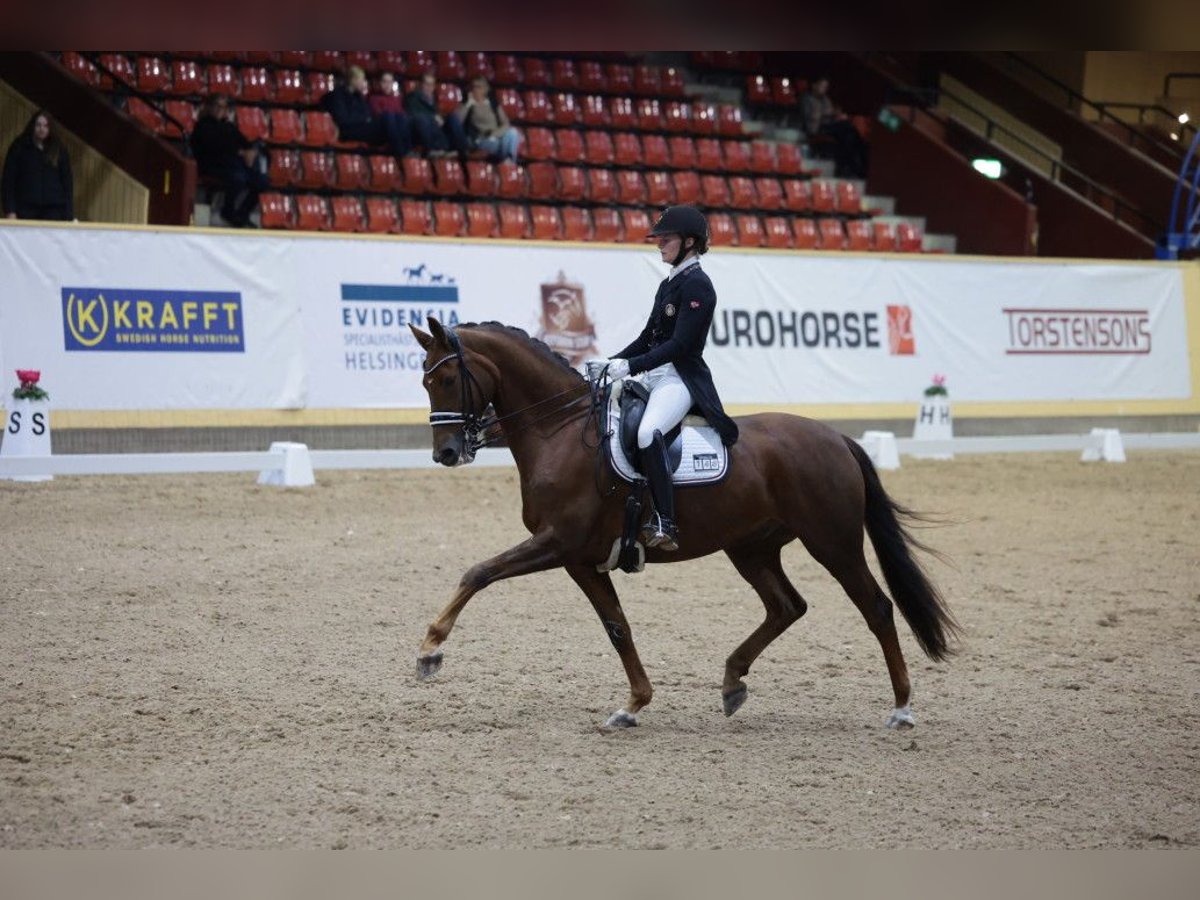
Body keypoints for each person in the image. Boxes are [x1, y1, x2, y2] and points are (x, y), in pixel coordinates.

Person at [591, 206, 739, 551]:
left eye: (666, 239)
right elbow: (647, 338)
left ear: (689, 242)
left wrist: (630, 367)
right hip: (656, 374)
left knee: (648, 432)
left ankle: (665, 520)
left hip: (681, 378)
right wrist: (611, 362)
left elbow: (680, 345)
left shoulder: (699, 285)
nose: (659, 245)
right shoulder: (668, 283)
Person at [189, 95, 269, 228]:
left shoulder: (229, 126)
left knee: (262, 182)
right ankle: (228, 211)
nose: (221, 110)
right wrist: (240, 153)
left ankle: (243, 214)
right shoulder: (202, 126)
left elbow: (244, 142)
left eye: (224, 107)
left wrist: (251, 152)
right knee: (238, 178)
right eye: (217, 106)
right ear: (210, 107)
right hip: (213, 165)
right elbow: (211, 148)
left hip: (234, 164)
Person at [322, 65, 412, 158]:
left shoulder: (358, 96)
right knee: (387, 117)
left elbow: (367, 113)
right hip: (349, 131)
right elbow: (343, 120)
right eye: (361, 80)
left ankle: (407, 150)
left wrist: (365, 119)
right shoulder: (338, 96)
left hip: (363, 127)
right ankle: (401, 153)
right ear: (353, 80)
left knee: (400, 117)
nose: (363, 83)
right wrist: (364, 119)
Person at [2, 109, 74, 221]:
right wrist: (10, 210)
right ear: (32, 126)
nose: (42, 129)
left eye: (46, 126)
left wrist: (68, 214)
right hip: (25, 209)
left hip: (54, 210)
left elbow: (67, 183)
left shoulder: (59, 149)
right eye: (38, 125)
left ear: (50, 128)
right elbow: (8, 180)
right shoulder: (19, 146)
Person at [800, 74, 869, 179]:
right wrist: (830, 114)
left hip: (828, 126)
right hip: (815, 128)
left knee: (849, 135)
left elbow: (830, 114)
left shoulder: (825, 99)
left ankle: (855, 166)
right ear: (814, 86)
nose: (824, 90)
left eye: (825, 87)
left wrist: (836, 115)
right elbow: (814, 117)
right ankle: (854, 168)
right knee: (847, 129)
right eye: (822, 86)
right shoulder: (807, 99)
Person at [403, 72, 469, 158]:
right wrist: (433, 117)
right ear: (421, 85)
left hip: (437, 129)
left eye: (431, 85)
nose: (429, 87)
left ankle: (462, 150)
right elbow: (413, 113)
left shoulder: (434, 100)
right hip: (421, 130)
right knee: (422, 119)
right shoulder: (412, 97)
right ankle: (433, 150)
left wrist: (441, 118)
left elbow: (439, 116)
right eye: (426, 84)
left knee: (452, 117)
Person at [457, 76, 521, 162]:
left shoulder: (493, 103)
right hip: (480, 139)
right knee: (497, 144)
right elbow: (457, 121)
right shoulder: (467, 103)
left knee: (513, 133)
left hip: (495, 136)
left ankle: (508, 162)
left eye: (479, 87)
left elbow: (506, 123)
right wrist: (468, 103)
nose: (475, 90)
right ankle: (507, 162)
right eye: (473, 87)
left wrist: (495, 134)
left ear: (485, 89)